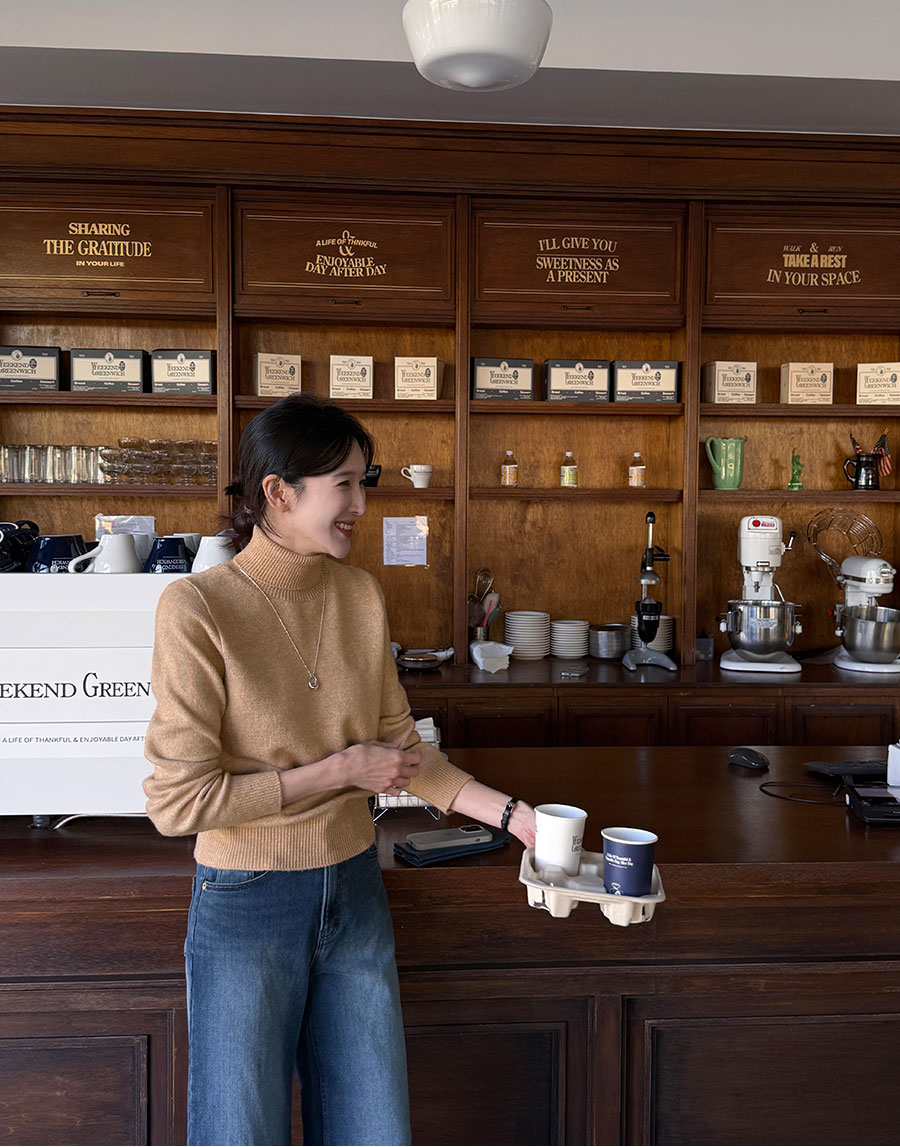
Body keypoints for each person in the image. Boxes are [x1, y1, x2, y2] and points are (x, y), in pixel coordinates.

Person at [143, 394, 536, 1147]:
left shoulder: (359, 594)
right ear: (278, 492)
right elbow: (177, 802)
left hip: (354, 886)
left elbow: (402, 754)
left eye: (364, 482)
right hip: (247, 899)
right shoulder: (196, 608)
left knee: (373, 1130)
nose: (361, 504)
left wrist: (519, 818)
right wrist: (339, 771)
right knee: (239, 1132)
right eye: (344, 485)